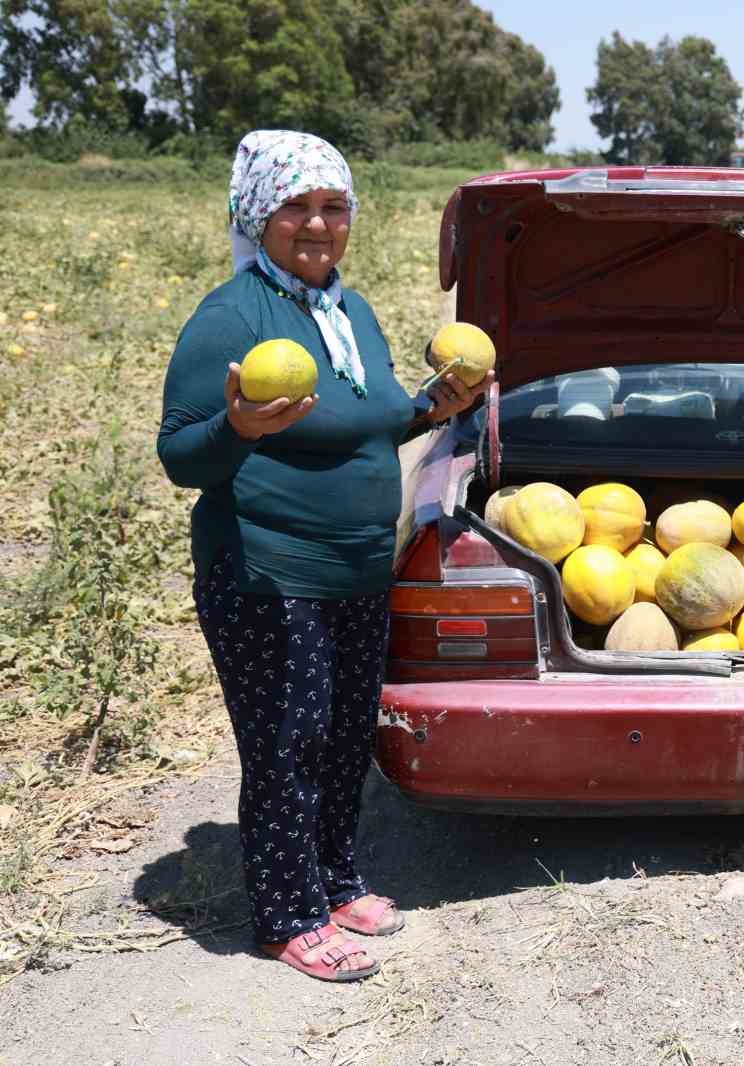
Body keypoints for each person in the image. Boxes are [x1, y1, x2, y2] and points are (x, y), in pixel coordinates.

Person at [157, 130, 492, 982]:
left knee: (345, 734)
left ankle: (335, 879)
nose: (317, 224)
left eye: (333, 206)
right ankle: (286, 914)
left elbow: (369, 424)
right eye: (295, 207)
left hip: (355, 571)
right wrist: (235, 427)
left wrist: (433, 405)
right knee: (286, 740)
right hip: (270, 573)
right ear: (255, 217)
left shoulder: (352, 313)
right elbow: (178, 457)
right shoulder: (231, 318)